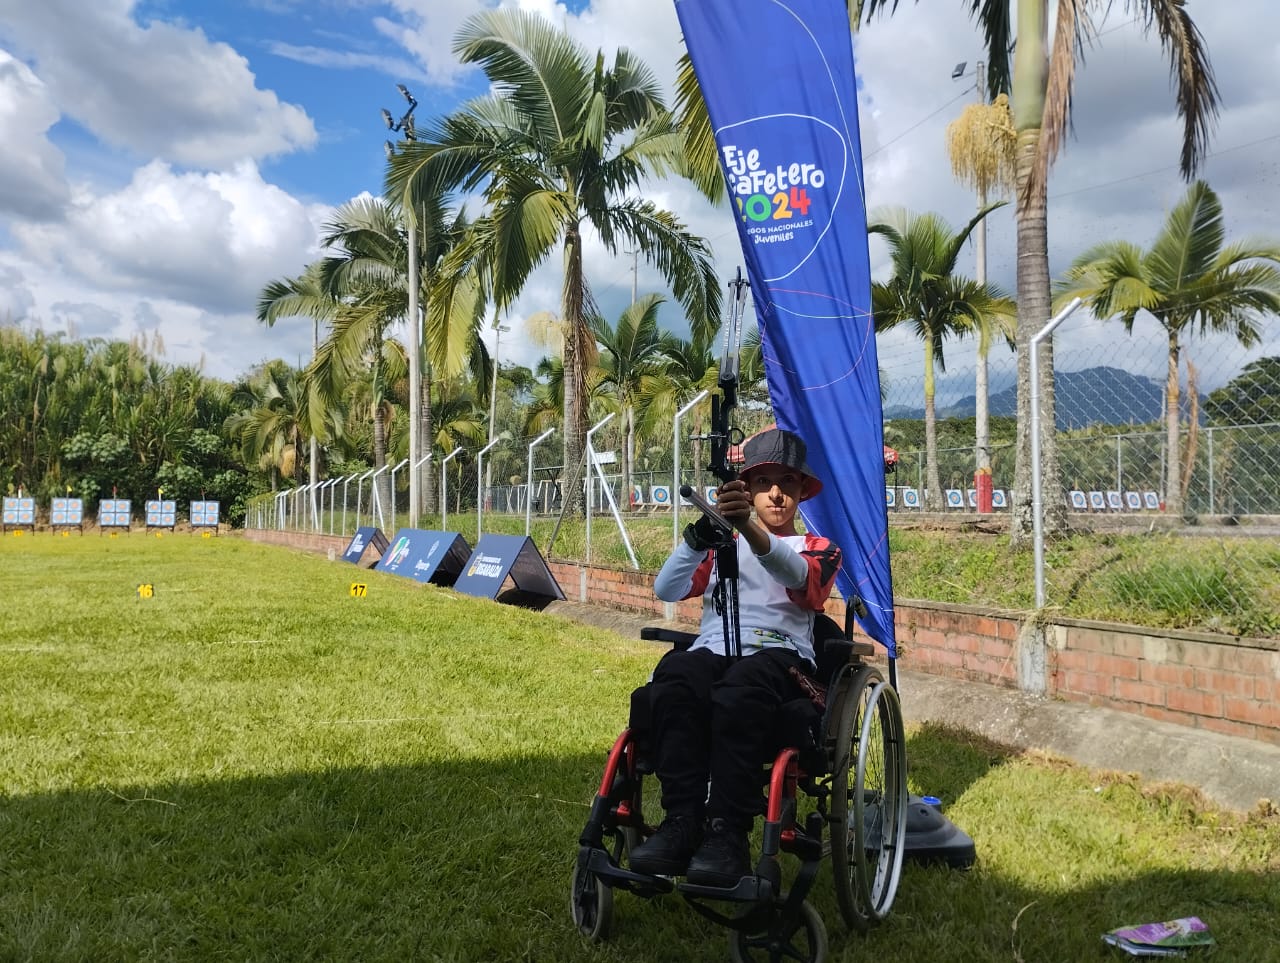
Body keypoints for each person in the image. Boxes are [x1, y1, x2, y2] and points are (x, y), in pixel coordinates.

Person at [628, 427, 842, 886]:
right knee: (677, 676)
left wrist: (746, 526)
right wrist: (697, 538)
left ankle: (727, 834)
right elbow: (666, 588)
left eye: (787, 482)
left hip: (779, 660)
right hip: (714, 652)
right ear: (746, 489)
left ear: (804, 490)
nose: (777, 493)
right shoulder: (723, 549)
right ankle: (682, 823)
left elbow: (796, 574)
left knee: (742, 687)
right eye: (763, 482)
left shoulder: (819, 549)